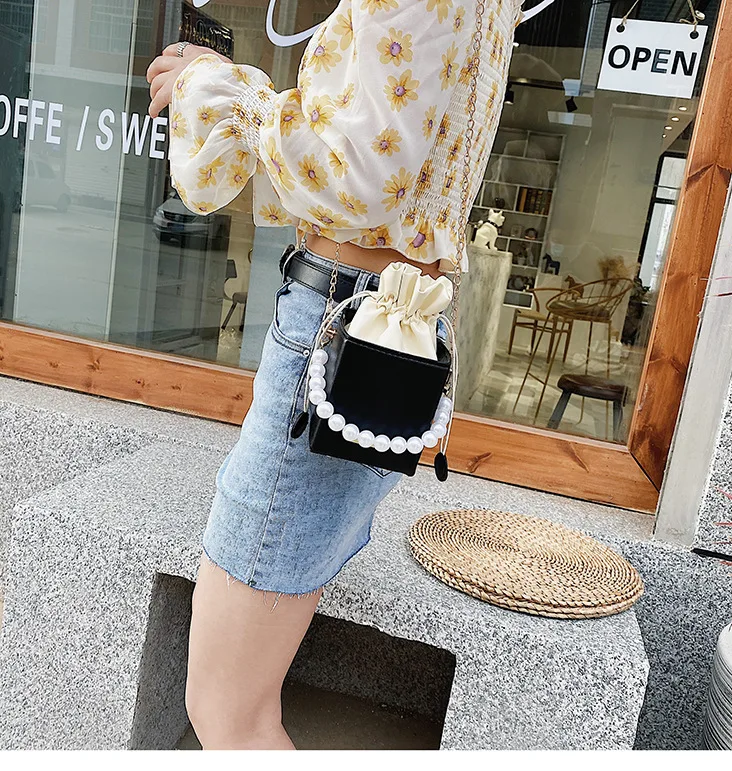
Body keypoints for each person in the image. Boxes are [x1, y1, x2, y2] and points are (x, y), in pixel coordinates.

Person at [146, 0, 523, 750]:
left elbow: (356, 171)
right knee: (236, 700)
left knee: (228, 711)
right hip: (387, 319)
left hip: (347, 324)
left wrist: (225, 89)